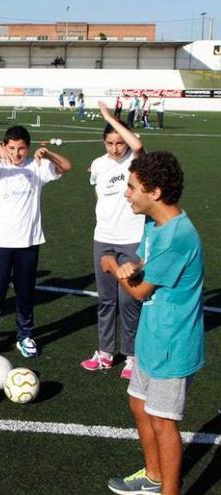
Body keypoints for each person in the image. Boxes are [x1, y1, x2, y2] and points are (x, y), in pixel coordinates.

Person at [102, 151, 204, 495]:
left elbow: (141, 292)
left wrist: (112, 267)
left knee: (164, 422)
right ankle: (153, 476)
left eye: (132, 187)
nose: (126, 193)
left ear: (155, 192)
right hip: (152, 337)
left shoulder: (178, 236)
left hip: (172, 346)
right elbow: (147, 264)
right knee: (138, 403)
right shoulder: (156, 225)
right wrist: (133, 266)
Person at [0, 125, 72, 359]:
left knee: (25, 292)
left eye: (21, 149)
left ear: (28, 148)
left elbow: (66, 166)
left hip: (28, 242)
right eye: (11, 148)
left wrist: (47, 154)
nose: (16, 153)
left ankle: (25, 335)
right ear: (4, 147)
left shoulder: (36, 167)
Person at [81, 101, 145, 378]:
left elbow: (138, 146)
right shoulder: (97, 164)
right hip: (103, 238)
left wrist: (110, 117)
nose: (116, 148)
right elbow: (99, 196)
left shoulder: (135, 160)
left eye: (120, 142)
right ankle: (106, 352)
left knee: (129, 300)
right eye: (110, 143)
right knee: (106, 299)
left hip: (131, 239)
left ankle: (132, 356)